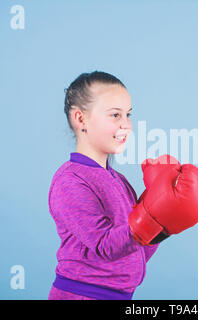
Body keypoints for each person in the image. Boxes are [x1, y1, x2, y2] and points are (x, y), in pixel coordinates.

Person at [47, 71, 159, 300]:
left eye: (128, 114)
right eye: (115, 115)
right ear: (81, 119)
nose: (126, 125)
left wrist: (163, 222)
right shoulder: (70, 181)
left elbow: (137, 250)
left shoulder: (118, 180)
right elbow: (104, 246)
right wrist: (153, 218)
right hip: (82, 295)